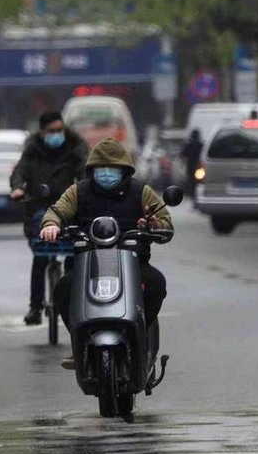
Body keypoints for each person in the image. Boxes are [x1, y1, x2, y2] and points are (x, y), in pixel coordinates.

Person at [39, 137, 173, 369]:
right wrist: (51, 225)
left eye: (112, 169)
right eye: (101, 169)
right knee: (63, 288)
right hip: (88, 266)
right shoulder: (77, 192)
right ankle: (79, 343)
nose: (107, 173)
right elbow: (57, 212)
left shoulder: (142, 192)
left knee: (156, 283)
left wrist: (151, 227)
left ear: (124, 170)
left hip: (133, 264)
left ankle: (141, 334)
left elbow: (165, 223)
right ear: (92, 170)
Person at [9, 110, 87, 325]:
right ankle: (36, 307)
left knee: (75, 253)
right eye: (52, 131)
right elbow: (20, 172)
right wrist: (17, 188)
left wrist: (84, 190)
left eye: (60, 130)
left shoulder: (75, 148)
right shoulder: (32, 150)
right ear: (42, 133)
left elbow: (85, 173)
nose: (57, 134)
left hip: (69, 207)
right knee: (40, 255)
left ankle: (74, 301)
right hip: (39, 205)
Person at [181, 128, 203, 193]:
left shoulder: (188, 145)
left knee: (191, 180)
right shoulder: (201, 145)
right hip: (199, 166)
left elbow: (183, 156)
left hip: (190, 166)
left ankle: (191, 191)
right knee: (199, 181)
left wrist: (184, 163)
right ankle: (196, 191)